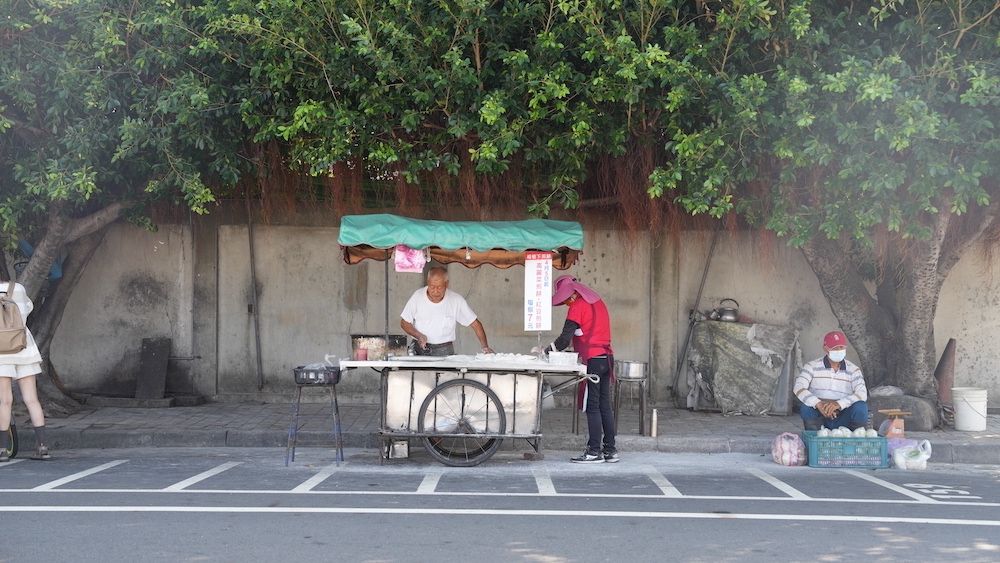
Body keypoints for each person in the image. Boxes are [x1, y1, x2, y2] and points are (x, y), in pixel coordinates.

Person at [535, 275, 617, 463]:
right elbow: (588, 333)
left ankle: (594, 451)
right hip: (607, 358)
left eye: (565, 300)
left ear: (571, 295)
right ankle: (610, 450)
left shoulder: (577, 307)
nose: (565, 303)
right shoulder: (598, 304)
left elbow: (565, 338)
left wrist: (546, 351)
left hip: (594, 360)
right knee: (604, 405)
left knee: (592, 406)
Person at [0, 271, 51, 461]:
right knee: (32, 399)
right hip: (24, 347)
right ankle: (43, 446)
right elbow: (28, 308)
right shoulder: (18, 288)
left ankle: (2, 450)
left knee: (4, 401)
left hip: (1, 352)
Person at [400, 267, 493, 357]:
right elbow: (404, 322)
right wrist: (419, 336)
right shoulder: (418, 296)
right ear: (427, 282)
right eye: (432, 287)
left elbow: (476, 324)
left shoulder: (456, 300)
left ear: (446, 284)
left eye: (439, 287)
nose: (435, 291)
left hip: (445, 351)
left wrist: (485, 346)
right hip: (419, 349)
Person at [793, 330, 869, 431]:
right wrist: (819, 404)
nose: (838, 350)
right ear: (825, 349)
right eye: (834, 348)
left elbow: (862, 393)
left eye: (841, 347)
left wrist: (838, 404)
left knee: (861, 407)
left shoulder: (853, 370)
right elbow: (799, 387)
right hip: (820, 414)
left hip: (844, 414)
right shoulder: (811, 366)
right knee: (806, 407)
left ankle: (856, 441)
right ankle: (815, 439)